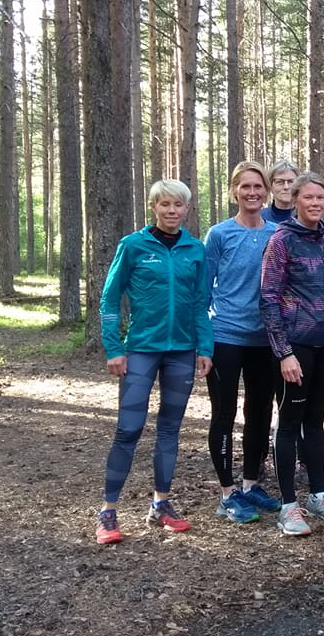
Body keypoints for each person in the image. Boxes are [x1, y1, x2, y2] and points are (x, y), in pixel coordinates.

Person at [95, 179, 213, 544]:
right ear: (153, 207)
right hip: (141, 350)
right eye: (165, 204)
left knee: (170, 429)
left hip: (182, 351)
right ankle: (108, 512)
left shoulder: (195, 249)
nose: (172, 211)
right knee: (128, 429)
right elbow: (109, 299)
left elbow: (200, 303)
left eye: (178, 205)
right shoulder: (132, 245)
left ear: (187, 209)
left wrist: (205, 348)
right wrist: (114, 348)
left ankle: (161, 504)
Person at [260, 173, 324, 536]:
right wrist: (283, 353)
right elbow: (268, 299)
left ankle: (318, 495)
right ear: (295, 200)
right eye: (308, 197)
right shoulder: (281, 240)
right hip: (295, 345)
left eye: (320, 198)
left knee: (315, 421)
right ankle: (288, 506)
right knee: (290, 421)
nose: (315, 203)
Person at [204, 160, 283, 525]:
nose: (252, 193)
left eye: (258, 186)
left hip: (265, 339)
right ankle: (227, 493)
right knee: (224, 412)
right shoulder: (219, 234)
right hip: (225, 335)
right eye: (245, 186)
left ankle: (250, 483)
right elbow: (203, 291)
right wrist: (202, 343)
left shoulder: (277, 234)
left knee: (260, 411)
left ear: (267, 191)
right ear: (234, 191)